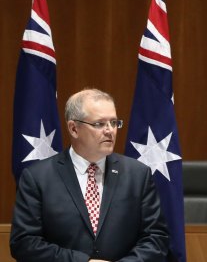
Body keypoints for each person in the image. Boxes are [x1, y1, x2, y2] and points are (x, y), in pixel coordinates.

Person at [10, 88, 169, 261]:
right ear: (74, 129)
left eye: (114, 123)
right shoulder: (38, 178)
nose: (110, 131)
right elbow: (24, 243)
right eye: (99, 124)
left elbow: (156, 239)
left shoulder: (138, 175)